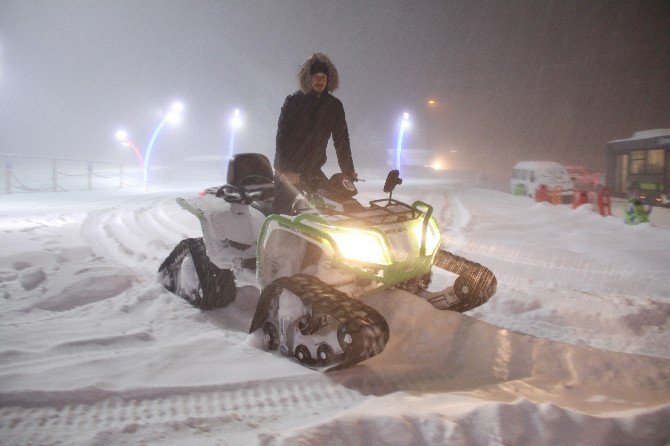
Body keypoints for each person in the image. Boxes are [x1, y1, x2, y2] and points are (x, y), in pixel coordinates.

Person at [273, 52, 357, 214]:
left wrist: (348, 170)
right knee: (281, 214)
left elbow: (341, 141)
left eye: (323, 77)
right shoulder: (293, 102)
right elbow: (282, 138)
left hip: (313, 171)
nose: (319, 81)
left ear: (329, 80)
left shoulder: (334, 106)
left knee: (332, 207)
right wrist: (285, 171)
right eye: (315, 76)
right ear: (307, 79)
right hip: (289, 169)